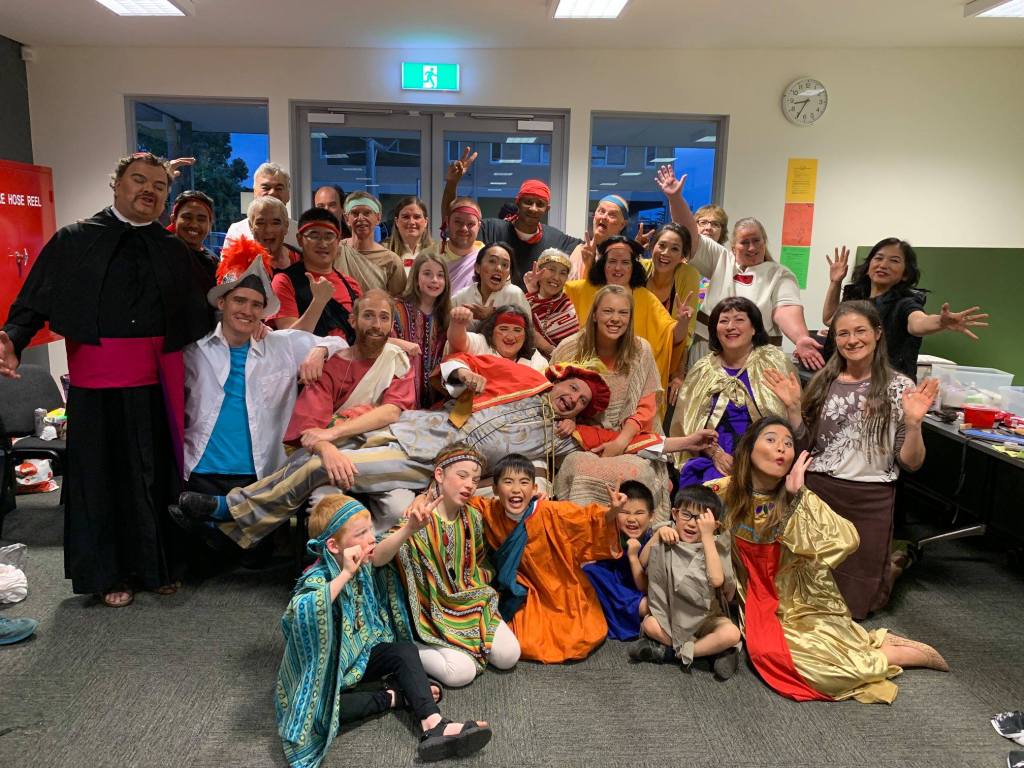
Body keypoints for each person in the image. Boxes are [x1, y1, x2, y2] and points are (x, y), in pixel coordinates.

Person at [0, 152, 210, 607]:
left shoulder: (173, 248)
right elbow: (34, 300)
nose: (149, 190)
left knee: (156, 475)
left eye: (159, 185)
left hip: (157, 380)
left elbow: (203, 309)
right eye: (139, 180)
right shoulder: (75, 239)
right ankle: (109, 573)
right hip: (98, 381)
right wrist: (13, 338)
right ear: (116, 184)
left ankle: (157, 566)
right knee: (102, 477)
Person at [175, 354, 612, 547]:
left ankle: (228, 510)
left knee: (322, 464)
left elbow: (633, 438)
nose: (573, 398)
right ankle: (231, 521)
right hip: (416, 425)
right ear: (560, 379)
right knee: (310, 452)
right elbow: (458, 363)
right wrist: (464, 376)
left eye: (581, 401)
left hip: (426, 462)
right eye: (573, 388)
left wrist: (593, 430)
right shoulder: (524, 378)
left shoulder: (560, 438)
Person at [708, 416, 949, 704]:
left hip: (798, 599)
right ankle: (864, 650)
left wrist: (797, 498)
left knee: (806, 667)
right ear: (748, 448)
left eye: (788, 444)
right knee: (767, 653)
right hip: (752, 596)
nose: (781, 448)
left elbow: (847, 540)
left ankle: (888, 655)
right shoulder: (721, 492)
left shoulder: (799, 496)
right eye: (771, 440)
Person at [176, 289, 415, 549]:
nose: (376, 325)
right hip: (335, 457)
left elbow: (392, 411)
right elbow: (310, 428)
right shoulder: (332, 365)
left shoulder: (398, 360)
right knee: (326, 507)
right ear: (353, 320)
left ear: (392, 324)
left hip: (382, 455)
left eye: (384, 317)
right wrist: (326, 448)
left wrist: (332, 434)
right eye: (368, 316)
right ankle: (332, 570)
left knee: (398, 509)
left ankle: (229, 513)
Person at [276, 493, 491, 767]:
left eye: (370, 530)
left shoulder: (364, 560)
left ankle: (434, 723)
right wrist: (344, 575)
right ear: (333, 546)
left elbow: (380, 554)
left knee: (403, 651)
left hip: (361, 657)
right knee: (321, 712)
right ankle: (392, 697)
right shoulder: (319, 577)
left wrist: (410, 527)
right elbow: (300, 613)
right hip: (329, 672)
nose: (370, 539)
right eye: (361, 534)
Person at [765, 300, 938, 619]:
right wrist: (793, 409)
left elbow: (911, 463)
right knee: (807, 601)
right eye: (843, 333)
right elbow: (806, 447)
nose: (852, 340)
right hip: (820, 495)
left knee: (856, 609)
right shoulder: (823, 382)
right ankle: (892, 562)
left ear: (878, 333)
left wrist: (913, 424)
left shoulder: (900, 387)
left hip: (870, 499)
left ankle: (894, 565)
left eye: (860, 331)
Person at [180, 239, 347, 508]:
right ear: (222, 302)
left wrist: (320, 351)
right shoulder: (193, 351)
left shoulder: (281, 345)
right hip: (200, 471)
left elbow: (341, 344)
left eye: (256, 305)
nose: (247, 311)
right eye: (239, 300)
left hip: (262, 475)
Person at [372, 444, 520, 686]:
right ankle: (404, 648)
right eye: (462, 476)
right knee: (460, 674)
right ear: (439, 475)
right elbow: (377, 557)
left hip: (470, 602)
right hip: (430, 614)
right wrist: (409, 529)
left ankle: (464, 641)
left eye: (475, 479)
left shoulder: (473, 517)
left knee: (509, 656)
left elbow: (479, 562)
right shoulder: (418, 517)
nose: (470, 485)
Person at [656, 165, 824, 370]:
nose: (751, 248)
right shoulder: (721, 259)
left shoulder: (779, 274)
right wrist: (675, 198)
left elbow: (785, 309)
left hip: (757, 356)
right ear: (733, 246)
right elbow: (689, 234)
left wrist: (800, 337)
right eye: (745, 242)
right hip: (709, 350)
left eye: (757, 241)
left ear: (764, 242)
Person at [472, 454, 627, 663]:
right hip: (524, 589)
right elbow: (461, 500)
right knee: (527, 641)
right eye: (508, 482)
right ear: (495, 489)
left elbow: (589, 519)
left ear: (534, 489)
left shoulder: (551, 511)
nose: (516, 489)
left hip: (559, 587)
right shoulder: (490, 511)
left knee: (579, 637)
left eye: (524, 482)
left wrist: (613, 511)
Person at [551, 285, 672, 514]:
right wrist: (570, 420)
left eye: (623, 313)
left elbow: (646, 408)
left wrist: (621, 442)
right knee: (578, 466)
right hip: (581, 440)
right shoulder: (569, 349)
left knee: (637, 474)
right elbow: (551, 394)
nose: (615, 319)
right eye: (608, 311)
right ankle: (579, 526)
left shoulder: (641, 350)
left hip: (631, 438)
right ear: (595, 314)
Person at [669, 297, 794, 489]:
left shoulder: (774, 361)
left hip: (765, 456)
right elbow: (688, 425)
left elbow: (790, 418)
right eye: (724, 321)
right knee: (709, 486)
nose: (730, 327)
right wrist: (716, 454)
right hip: (713, 456)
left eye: (739, 320)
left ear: (754, 328)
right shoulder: (702, 369)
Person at [822, 240, 988, 379]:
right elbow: (830, 319)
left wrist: (940, 322)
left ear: (905, 274)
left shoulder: (905, 303)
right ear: (868, 266)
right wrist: (835, 282)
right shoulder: (856, 297)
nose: (883, 265)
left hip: (885, 387)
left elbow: (918, 323)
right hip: (844, 379)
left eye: (894, 261)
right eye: (878, 258)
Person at [629, 484, 741, 680]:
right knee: (650, 625)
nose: (691, 523)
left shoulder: (714, 544)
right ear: (674, 513)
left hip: (706, 618)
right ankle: (709, 653)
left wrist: (707, 536)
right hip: (672, 616)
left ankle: (674, 653)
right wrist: (657, 536)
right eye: (686, 515)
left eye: (701, 519)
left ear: (713, 524)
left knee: (732, 633)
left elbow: (717, 580)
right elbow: (643, 561)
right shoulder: (667, 534)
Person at [442, 147, 581, 286]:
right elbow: (454, 219)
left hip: (532, 300)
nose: (533, 208)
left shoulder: (554, 238)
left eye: (540, 204)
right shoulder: (492, 229)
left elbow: (584, 247)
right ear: (517, 202)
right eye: (528, 202)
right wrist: (452, 184)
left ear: (547, 209)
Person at [563, 235, 687, 388]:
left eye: (625, 262)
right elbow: (549, 302)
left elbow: (671, 336)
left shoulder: (646, 299)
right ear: (603, 264)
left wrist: (683, 321)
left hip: (628, 380)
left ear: (633, 267)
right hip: (581, 379)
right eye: (612, 261)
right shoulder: (579, 290)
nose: (618, 268)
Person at [270, 208, 362, 342]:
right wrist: (318, 302)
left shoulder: (351, 284)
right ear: (300, 239)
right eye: (314, 236)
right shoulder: (284, 281)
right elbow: (288, 341)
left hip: (349, 355)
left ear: (338, 241)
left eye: (329, 236)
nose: (323, 244)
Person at [581, 480, 655, 642]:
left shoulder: (653, 540)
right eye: (624, 512)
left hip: (642, 589)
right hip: (614, 584)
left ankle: (641, 609)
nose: (631, 519)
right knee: (589, 572)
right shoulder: (612, 531)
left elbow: (647, 583)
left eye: (639, 513)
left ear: (651, 516)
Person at [642, 222, 701, 402]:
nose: (666, 253)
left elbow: (685, 335)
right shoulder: (639, 269)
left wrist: (679, 373)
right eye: (661, 245)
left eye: (675, 249)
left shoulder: (688, 275)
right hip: (634, 356)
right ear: (652, 247)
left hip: (668, 360)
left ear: (682, 255)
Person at [393, 252, 451, 407]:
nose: (434, 280)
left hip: (436, 404)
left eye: (440, 275)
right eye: (427, 274)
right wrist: (401, 343)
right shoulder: (397, 309)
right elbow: (378, 340)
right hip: (399, 398)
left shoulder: (446, 316)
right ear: (415, 278)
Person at [340, 191, 406, 296]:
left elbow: (398, 301)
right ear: (346, 218)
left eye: (367, 213)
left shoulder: (391, 261)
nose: (361, 218)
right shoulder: (336, 251)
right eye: (355, 213)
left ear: (378, 218)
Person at [447, 305, 548, 373]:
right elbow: (457, 342)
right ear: (491, 331)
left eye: (517, 330)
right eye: (503, 329)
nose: (510, 337)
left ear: (526, 335)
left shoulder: (534, 357)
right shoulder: (482, 343)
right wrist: (457, 324)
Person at [450, 241, 532, 325]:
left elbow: (528, 329)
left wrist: (491, 317)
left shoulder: (515, 295)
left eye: (505, 265)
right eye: (492, 261)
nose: (498, 268)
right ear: (477, 267)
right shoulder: (461, 297)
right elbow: (444, 325)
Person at [224, 162, 300, 250]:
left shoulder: (299, 231)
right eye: (266, 188)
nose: (272, 193)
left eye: (279, 188)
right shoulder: (236, 231)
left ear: (288, 195)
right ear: (254, 192)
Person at [523, 248, 579, 357]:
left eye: (563, 273)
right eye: (552, 270)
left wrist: (544, 346)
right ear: (538, 270)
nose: (556, 278)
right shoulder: (525, 300)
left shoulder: (567, 310)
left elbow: (573, 358)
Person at [567, 194, 630, 279]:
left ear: (622, 225)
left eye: (612, 215)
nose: (604, 217)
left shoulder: (626, 257)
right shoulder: (580, 251)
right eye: (601, 211)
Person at [168, 189, 218, 288]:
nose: (194, 225)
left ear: (210, 224)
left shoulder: (214, 262)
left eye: (201, 219)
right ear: (173, 220)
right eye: (187, 217)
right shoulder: (159, 255)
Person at [439, 197, 484, 292]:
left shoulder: (488, 258)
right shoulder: (429, 255)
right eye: (458, 222)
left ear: (479, 226)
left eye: (471, 223)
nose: (464, 228)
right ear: (447, 222)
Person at [248, 196, 300, 273]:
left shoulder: (302, 259)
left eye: (275, 223)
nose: (268, 230)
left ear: (286, 226)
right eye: (260, 223)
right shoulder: (241, 265)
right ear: (251, 226)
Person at [385, 196, 435, 270]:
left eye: (417, 217)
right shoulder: (383, 251)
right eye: (406, 217)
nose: (411, 222)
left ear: (425, 222)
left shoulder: (437, 251)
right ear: (396, 221)